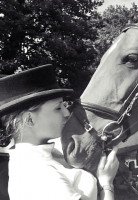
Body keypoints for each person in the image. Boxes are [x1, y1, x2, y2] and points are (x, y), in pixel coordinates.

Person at [0, 64, 119, 200]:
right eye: (58, 108)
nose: (67, 112)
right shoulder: (39, 172)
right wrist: (107, 184)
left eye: (64, 105)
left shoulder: (39, 154)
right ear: (29, 120)